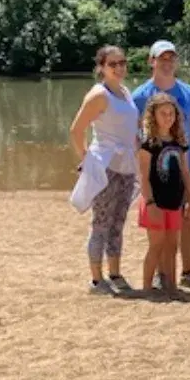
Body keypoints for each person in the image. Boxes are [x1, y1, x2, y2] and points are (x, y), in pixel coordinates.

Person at [131, 40, 190, 291]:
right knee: (158, 227)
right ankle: (160, 274)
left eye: (171, 57)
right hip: (155, 174)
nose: (167, 62)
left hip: (185, 167)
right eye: (161, 58)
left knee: (187, 220)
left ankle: (186, 271)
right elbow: (135, 135)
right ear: (151, 61)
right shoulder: (140, 96)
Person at [69, 45, 139, 295]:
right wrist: (87, 158)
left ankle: (116, 273)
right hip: (106, 166)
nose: (119, 68)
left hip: (127, 166)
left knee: (118, 223)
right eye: (113, 64)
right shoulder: (99, 94)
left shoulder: (125, 92)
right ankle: (97, 281)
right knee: (100, 223)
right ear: (101, 67)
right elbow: (76, 130)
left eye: (122, 63)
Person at [136, 93, 190, 300]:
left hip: (175, 200)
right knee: (156, 244)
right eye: (163, 113)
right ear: (153, 115)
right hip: (155, 201)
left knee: (173, 245)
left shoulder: (179, 141)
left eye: (171, 113)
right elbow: (143, 176)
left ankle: (171, 286)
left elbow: (185, 172)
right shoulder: (148, 142)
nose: (168, 117)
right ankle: (146, 288)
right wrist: (150, 202)